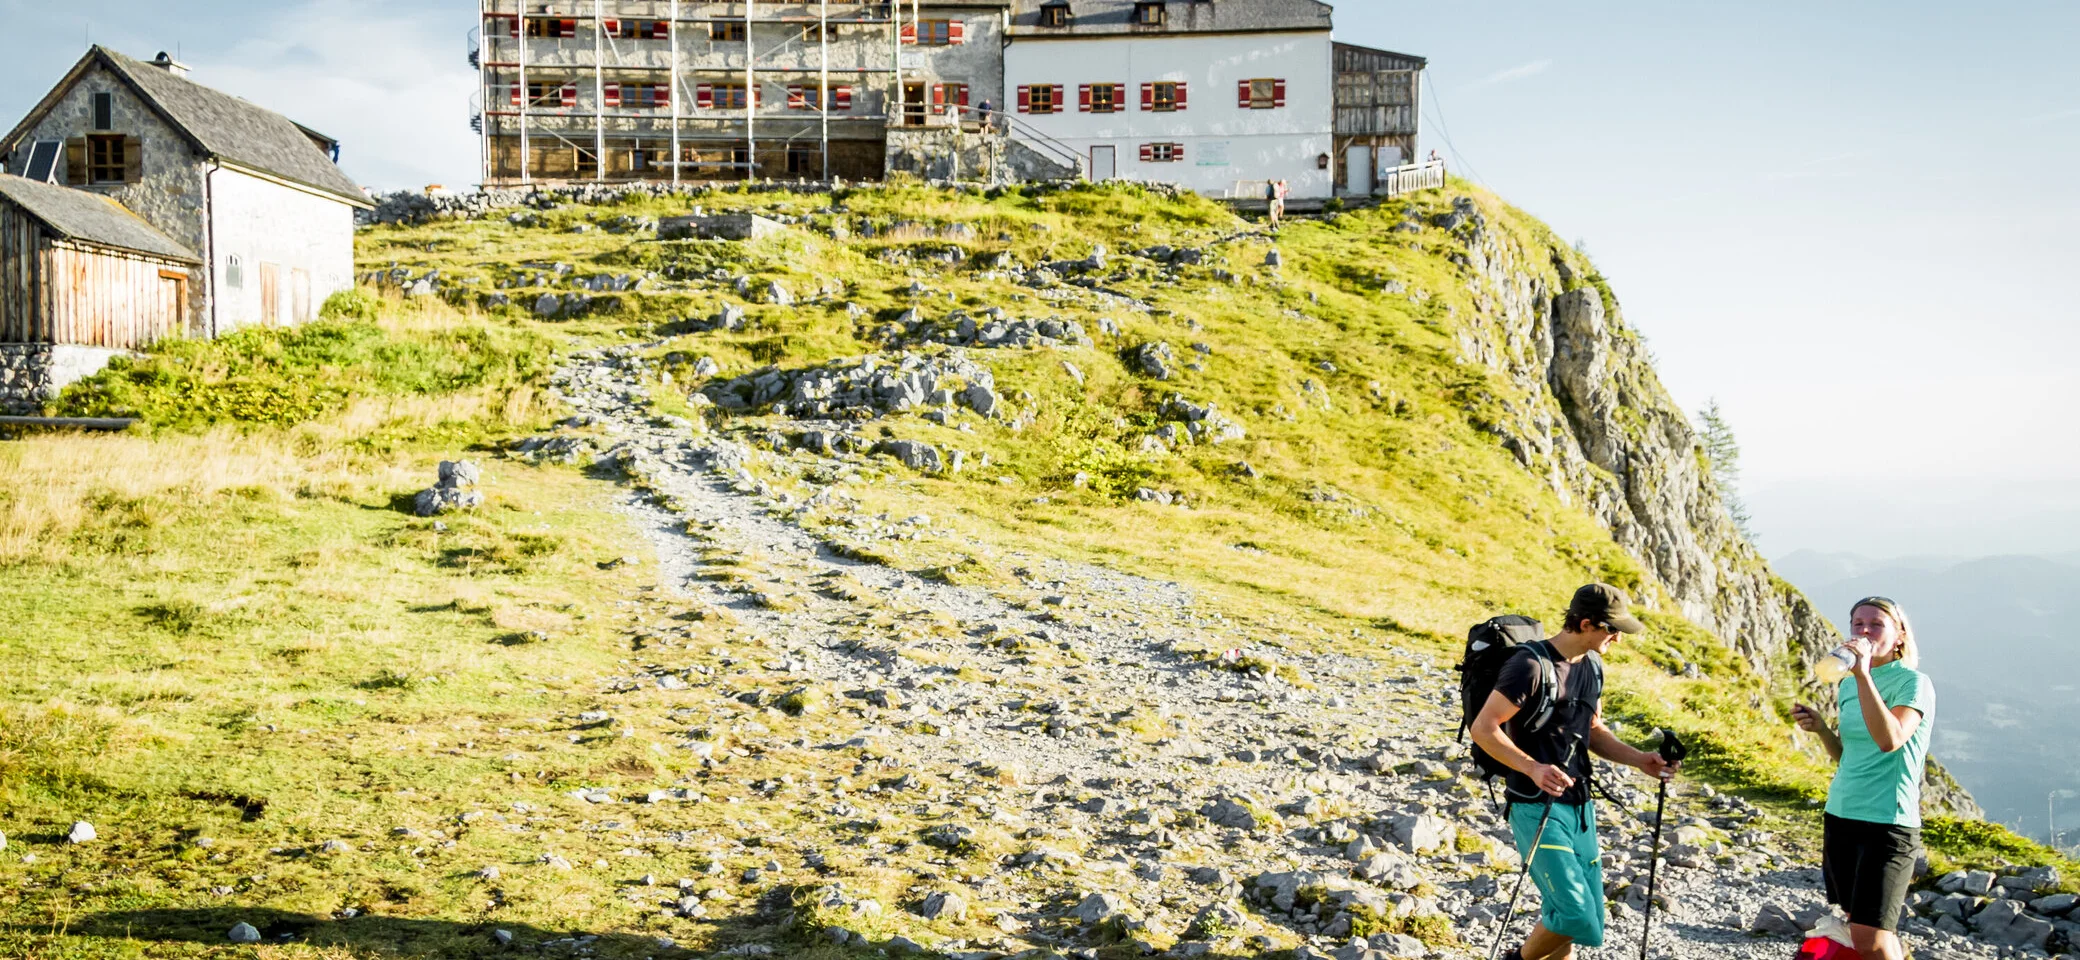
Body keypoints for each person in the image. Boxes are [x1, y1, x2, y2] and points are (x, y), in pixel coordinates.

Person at [1470, 584, 1678, 960]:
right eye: (1611, 630)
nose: (1617, 638)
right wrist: (1532, 768)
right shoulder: (1529, 666)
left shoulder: (1593, 667)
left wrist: (1639, 759)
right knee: (1574, 913)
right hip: (1535, 806)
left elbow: (1592, 730)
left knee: (1584, 920)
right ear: (1585, 623)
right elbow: (1484, 728)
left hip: (1580, 808)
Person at [1792, 597, 1934, 960]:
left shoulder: (1913, 683)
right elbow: (1850, 757)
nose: (1865, 631)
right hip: (1841, 813)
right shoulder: (1847, 684)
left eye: (1876, 624)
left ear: (1899, 635)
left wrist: (1864, 674)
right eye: (1858, 623)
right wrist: (1822, 730)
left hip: (1888, 821)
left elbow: (1890, 740)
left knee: (1871, 935)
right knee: (1860, 924)